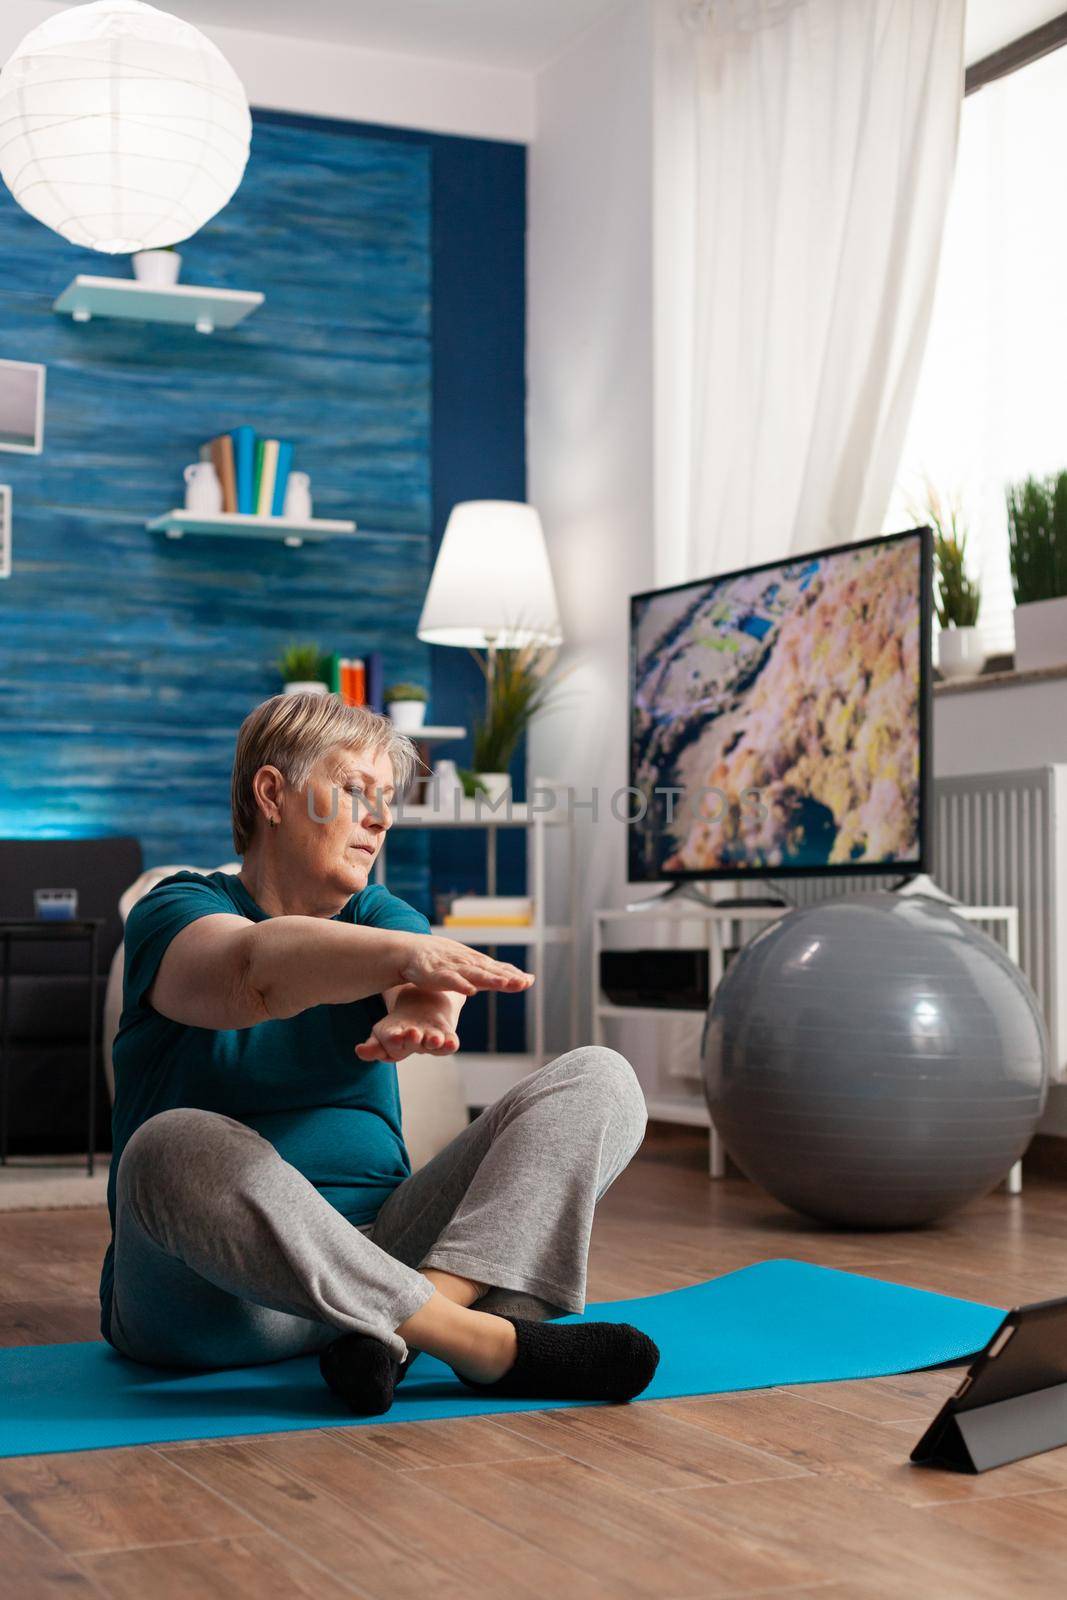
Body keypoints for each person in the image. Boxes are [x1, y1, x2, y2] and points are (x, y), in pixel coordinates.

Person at [100, 691, 659, 1414]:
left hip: (384, 1247)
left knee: (601, 1077)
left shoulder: (378, 913)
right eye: (356, 792)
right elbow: (251, 972)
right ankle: (480, 1339)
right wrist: (410, 960)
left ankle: (410, 1329)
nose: (381, 818)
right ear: (272, 794)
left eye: (387, 800)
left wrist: (423, 1004)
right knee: (169, 1146)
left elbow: (426, 989)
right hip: (213, 1300)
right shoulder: (175, 910)